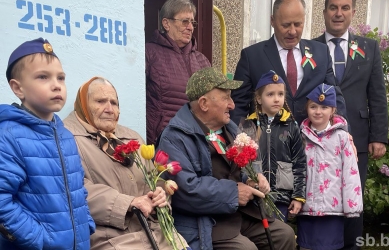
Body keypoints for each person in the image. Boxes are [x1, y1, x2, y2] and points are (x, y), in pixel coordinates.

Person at [157, 67, 296, 250]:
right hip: (206, 220)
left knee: (283, 235)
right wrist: (233, 192)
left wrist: (254, 179)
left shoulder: (228, 127)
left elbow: (245, 166)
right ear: (204, 103)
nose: (232, 105)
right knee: (245, 249)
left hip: (240, 213)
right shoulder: (174, 137)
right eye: (226, 98)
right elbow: (186, 189)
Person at [63, 77, 189, 250]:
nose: (109, 109)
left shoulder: (132, 136)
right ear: (83, 104)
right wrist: (128, 203)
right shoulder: (66, 138)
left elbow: (153, 177)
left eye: (114, 103)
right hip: (113, 240)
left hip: (158, 235)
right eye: (100, 101)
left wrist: (160, 193)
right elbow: (74, 190)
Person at [0, 38, 95, 249]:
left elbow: (78, 189)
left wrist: (86, 224)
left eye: (61, 78)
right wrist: (41, 239)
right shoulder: (9, 136)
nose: (56, 85)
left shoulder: (65, 135)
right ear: (18, 88)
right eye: (43, 77)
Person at [313, 0, 388, 249]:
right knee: (322, 196)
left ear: (353, 13)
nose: (338, 13)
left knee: (352, 199)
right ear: (324, 12)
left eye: (345, 8)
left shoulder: (369, 48)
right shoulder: (311, 48)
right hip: (319, 141)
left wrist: (379, 136)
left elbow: (377, 94)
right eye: (333, 7)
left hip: (357, 140)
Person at [231, 0, 347, 126]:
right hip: (268, 141)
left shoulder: (321, 52)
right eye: (286, 25)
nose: (292, 31)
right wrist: (240, 140)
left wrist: (342, 132)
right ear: (272, 21)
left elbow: (334, 98)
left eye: (298, 24)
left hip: (313, 141)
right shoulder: (252, 56)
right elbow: (238, 106)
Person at [297, 83, 363, 250]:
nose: (318, 111)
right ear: (307, 108)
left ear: (333, 110)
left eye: (324, 107)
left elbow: (351, 172)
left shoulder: (342, 137)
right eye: (313, 106)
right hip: (307, 208)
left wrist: (352, 206)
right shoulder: (300, 137)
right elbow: (296, 170)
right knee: (306, 246)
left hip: (332, 211)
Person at [146, 0, 211, 145]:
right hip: (163, 140)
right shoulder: (149, 53)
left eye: (192, 22)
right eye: (184, 21)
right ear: (166, 23)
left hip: (196, 141)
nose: (190, 27)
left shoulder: (202, 60)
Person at [247, 70, 306, 222]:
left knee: (279, 237)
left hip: (281, 198)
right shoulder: (249, 126)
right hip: (254, 196)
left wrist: (298, 196)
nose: (276, 99)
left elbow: (299, 163)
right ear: (259, 98)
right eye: (270, 94)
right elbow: (242, 162)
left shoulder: (291, 126)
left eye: (280, 94)